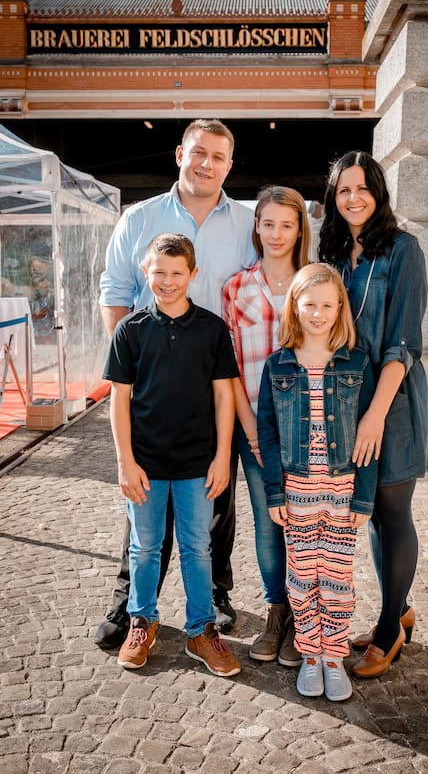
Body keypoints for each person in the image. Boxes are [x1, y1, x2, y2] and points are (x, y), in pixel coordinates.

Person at [95, 119, 256, 649]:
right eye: (198, 152)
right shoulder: (140, 219)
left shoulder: (248, 223)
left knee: (215, 497)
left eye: (218, 156)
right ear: (180, 154)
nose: (206, 163)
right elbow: (116, 291)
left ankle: (215, 596)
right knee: (143, 502)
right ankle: (131, 608)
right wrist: (132, 371)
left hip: (217, 384)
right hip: (154, 387)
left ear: (229, 165)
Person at [104, 233, 241, 676]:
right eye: (158, 272)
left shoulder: (211, 329)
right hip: (145, 462)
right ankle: (142, 622)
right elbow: (119, 400)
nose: (167, 280)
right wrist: (125, 461)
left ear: (192, 274)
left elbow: (224, 398)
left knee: (197, 548)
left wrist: (223, 457)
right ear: (146, 272)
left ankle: (201, 631)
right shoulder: (130, 330)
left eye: (176, 272)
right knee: (145, 548)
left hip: (197, 464)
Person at [318, 150, 428, 679]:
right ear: (333, 199)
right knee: (370, 514)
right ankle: (398, 607)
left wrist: (375, 415)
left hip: (392, 402)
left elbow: (404, 342)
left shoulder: (403, 250)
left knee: (393, 509)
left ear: (378, 193)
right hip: (347, 403)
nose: (354, 198)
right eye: (344, 190)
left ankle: (389, 631)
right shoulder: (335, 254)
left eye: (363, 188)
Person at [257, 263, 378, 701]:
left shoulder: (357, 364)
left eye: (328, 304)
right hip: (297, 492)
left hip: (342, 491)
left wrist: (364, 498)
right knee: (302, 577)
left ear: (340, 308)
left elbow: (370, 438)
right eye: (309, 303)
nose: (318, 312)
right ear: (294, 306)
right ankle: (309, 654)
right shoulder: (278, 366)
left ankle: (334, 656)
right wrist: (274, 491)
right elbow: (267, 435)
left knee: (338, 579)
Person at [222, 186, 310, 667]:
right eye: (268, 223)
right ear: (256, 226)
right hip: (256, 425)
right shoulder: (236, 288)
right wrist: (250, 426)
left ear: (300, 230)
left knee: (306, 519)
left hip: (309, 423)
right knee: (268, 519)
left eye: (287, 224)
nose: (276, 234)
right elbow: (230, 368)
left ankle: (304, 616)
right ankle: (277, 613)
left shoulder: (316, 283)